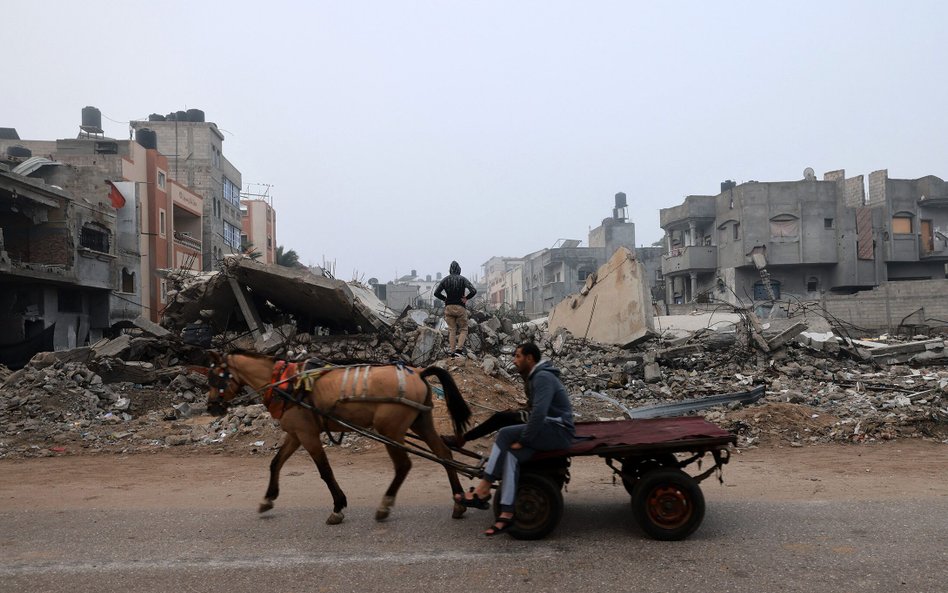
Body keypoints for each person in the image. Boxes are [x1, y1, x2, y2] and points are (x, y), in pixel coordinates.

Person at [456, 342, 576, 536]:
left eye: (518, 356)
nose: (514, 360)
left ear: (530, 358)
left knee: (505, 433)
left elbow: (539, 413)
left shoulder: (543, 377)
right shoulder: (535, 377)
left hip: (558, 430)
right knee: (511, 455)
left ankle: (484, 488)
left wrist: (525, 439)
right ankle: (507, 511)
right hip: (551, 428)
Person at [433, 261, 477, 357]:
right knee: (464, 329)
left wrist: (445, 299)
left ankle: (452, 351)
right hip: (460, 307)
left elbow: (436, 293)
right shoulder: (463, 279)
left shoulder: (445, 280)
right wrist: (466, 298)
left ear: (450, 270)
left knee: (452, 330)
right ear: (459, 270)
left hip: (449, 307)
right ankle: (459, 350)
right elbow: (473, 291)